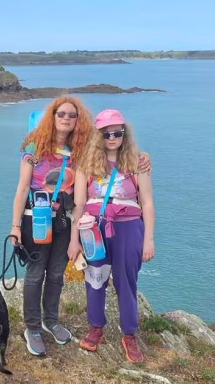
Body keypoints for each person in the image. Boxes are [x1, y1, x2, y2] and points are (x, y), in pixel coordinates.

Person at [10, 98, 150, 357]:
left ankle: (50, 320)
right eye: (61, 113)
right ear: (51, 117)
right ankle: (33, 327)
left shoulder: (79, 151)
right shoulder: (33, 150)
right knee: (35, 273)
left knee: (56, 273)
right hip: (37, 219)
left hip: (65, 221)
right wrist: (15, 226)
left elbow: (112, 150)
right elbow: (22, 189)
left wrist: (142, 156)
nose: (66, 118)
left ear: (78, 121)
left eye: (72, 115)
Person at [67, 109, 155, 363]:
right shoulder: (85, 165)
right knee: (95, 279)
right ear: (99, 136)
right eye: (106, 134)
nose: (112, 138)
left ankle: (129, 334)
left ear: (124, 134)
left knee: (126, 281)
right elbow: (79, 205)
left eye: (117, 132)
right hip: (93, 229)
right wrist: (74, 240)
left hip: (128, 228)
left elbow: (147, 203)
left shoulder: (137, 163)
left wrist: (148, 240)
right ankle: (96, 327)